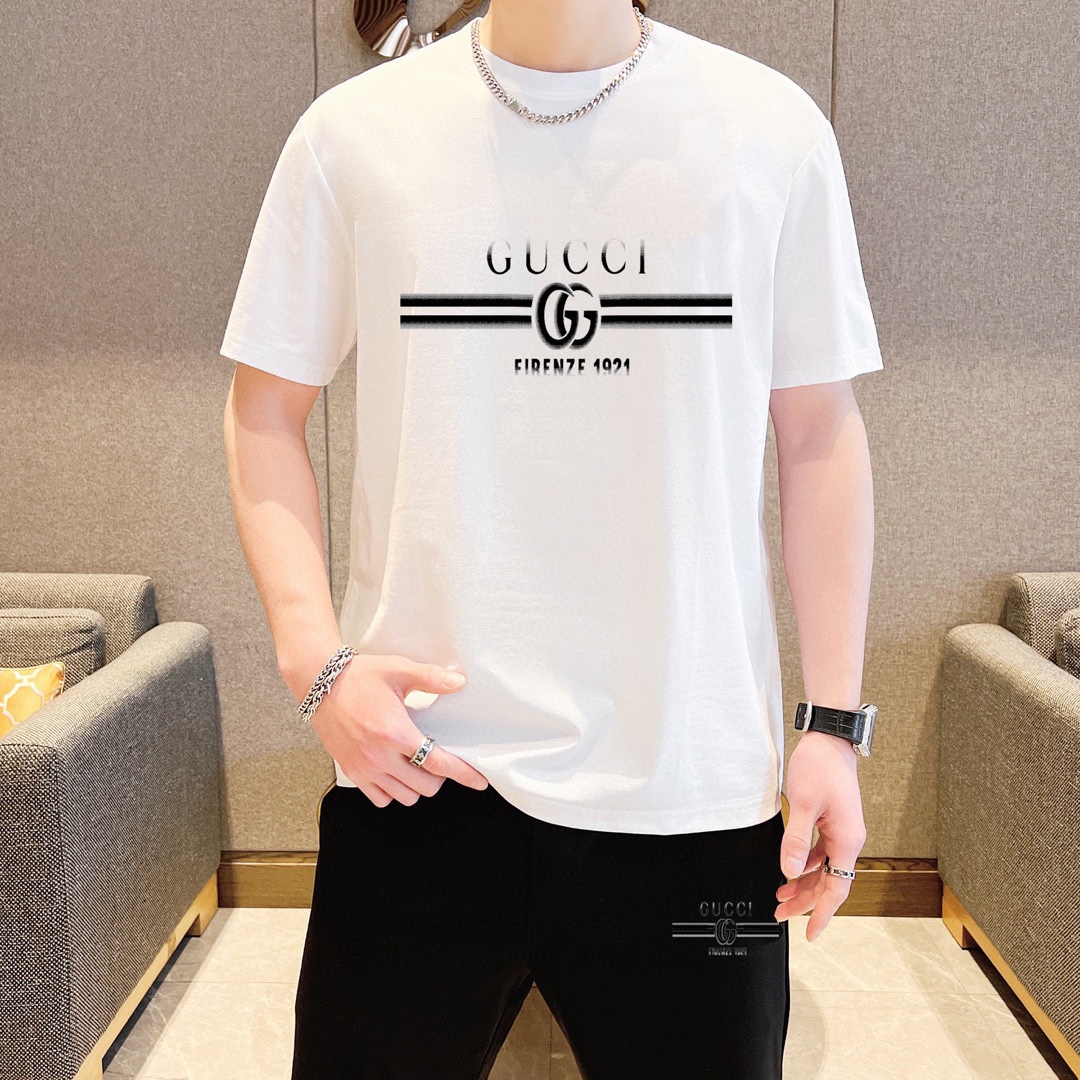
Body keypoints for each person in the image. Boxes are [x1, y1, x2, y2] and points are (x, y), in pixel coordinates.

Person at [221, 0, 882, 1076]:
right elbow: (262, 410)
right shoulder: (356, 135)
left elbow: (819, 436)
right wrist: (315, 664)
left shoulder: (771, 130)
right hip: (416, 775)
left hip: (692, 792)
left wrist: (834, 728)